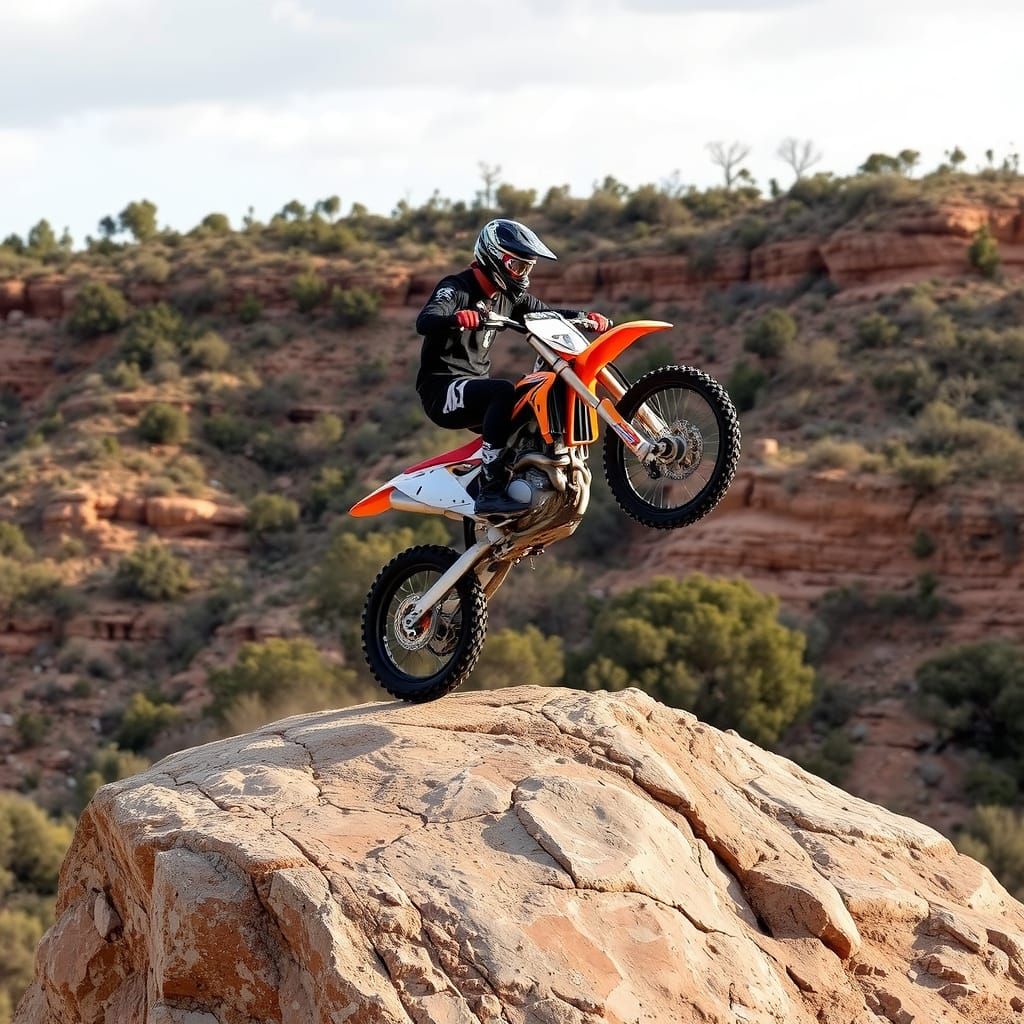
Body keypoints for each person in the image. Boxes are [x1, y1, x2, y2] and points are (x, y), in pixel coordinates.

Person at [415, 219, 609, 516]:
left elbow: (548, 314)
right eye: (518, 266)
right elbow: (425, 321)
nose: (523, 275)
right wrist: (456, 318)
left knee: (532, 396)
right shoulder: (456, 288)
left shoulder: (508, 297)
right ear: (495, 257)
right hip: (441, 391)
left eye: (528, 268)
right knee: (503, 392)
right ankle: (490, 488)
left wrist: (585, 317)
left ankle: (525, 478)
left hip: (474, 388)